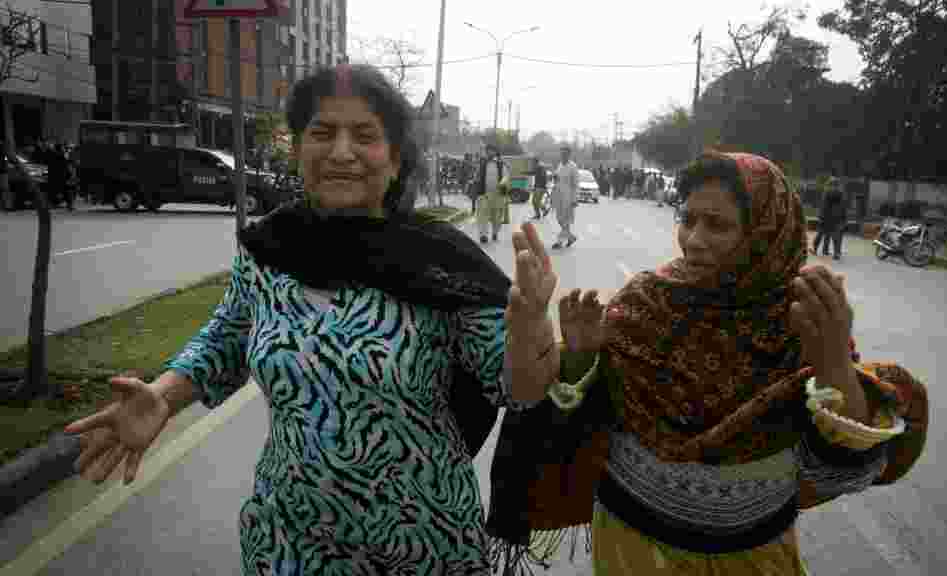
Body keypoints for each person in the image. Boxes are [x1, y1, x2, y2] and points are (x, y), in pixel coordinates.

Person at [64, 63, 553, 575]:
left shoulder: (443, 264)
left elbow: (522, 389)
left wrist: (532, 329)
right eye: (322, 133)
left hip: (422, 547)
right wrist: (162, 396)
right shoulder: (271, 249)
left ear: (394, 160)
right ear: (297, 150)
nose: (342, 152)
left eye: (364, 135)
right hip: (287, 545)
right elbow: (225, 339)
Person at [486, 151, 929, 575]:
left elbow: (835, 472)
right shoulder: (644, 302)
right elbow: (582, 420)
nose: (693, 239)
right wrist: (581, 355)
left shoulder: (804, 318)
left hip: (755, 557)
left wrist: (833, 364)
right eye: (688, 219)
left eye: (716, 225)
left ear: (765, 233)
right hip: (631, 548)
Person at [475, 144, 509, 243]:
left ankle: (495, 232)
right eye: (487, 151)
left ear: (495, 152)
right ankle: (483, 235)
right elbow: (477, 176)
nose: (489, 152)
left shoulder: (501, 164)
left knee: (497, 217)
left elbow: (506, 176)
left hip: (498, 195)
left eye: (491, 150)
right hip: (484, 194)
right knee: (482, 215)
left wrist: (503, 183)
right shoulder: (482, 163)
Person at [552, 145, 579, 249]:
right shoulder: (560, 165)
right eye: (561, 153)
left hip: (568, 197)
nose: (563, 155)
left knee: (566, 220)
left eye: (565, 153)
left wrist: (574, 199)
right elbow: (558, 177)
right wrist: (554, 176)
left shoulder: (573, 167)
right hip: (558, 195)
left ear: (569, 154)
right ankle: (571, 237)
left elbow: (576, 185)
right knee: (559, 219)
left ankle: (559, 241)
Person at [813, 178, 844, 260]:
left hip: (827, 218)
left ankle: (815, 249)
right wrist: (843, 218)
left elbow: (824, 207)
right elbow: (842, 207)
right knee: (835, 236)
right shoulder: (840, 194)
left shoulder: (827, 193)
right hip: (835, 218)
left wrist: (821, 217)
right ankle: (835, 253)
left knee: (821, 234)